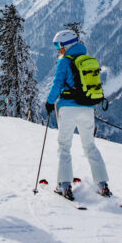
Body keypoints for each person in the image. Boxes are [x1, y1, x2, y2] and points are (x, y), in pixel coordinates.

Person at [45, 29, 111, 200]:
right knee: (89, 146)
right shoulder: (86, 59)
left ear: (66, 45)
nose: (58, 50)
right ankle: (102, 184)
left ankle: (64, 186)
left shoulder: (64, 62)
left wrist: (49, 102)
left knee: (64, 146)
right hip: (87, 108)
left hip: (67, 108)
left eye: (59, 46)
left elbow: (57, 84)